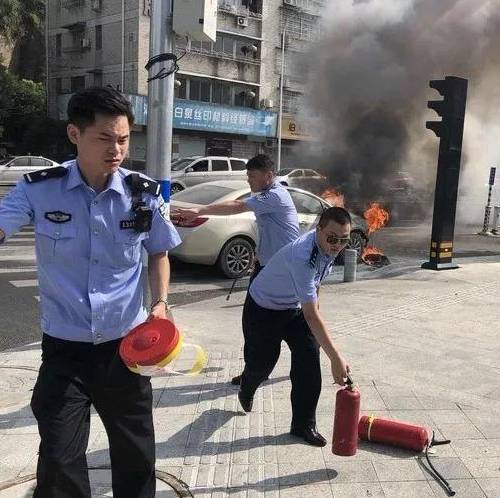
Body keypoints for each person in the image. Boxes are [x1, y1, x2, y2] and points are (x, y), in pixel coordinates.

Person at [0, 87, 181, 498]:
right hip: (65, 351)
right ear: (74, 134)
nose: (116, 149)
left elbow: (158, 253)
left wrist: (161, 303)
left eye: (122, 139)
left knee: (136, 454)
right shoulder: (38, 189)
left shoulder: (144, 193)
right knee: (60, 459)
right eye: (104, 138)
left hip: (126, 350)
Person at [171, 154, 299, 385]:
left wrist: (200, 211)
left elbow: (238, 206)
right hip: (266, 268)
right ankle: (254, 371)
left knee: (284, 328)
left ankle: (285, 368)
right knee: (252, 323)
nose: (248, 180)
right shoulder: (263, 194)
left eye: (252, 176)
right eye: (247, 175)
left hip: (284, 273)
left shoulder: (276, 195)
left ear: (269, 176)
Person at [238, 207, 353, 447]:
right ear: (319, 231)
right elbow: (312, 315)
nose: (338, 245)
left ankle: (303, 425)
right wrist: (336, 358)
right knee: (262, 364)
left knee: (309, 361)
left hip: (294, 309)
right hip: (263, 309)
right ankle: (247, 387)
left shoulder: (327, 248)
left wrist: (319, 337)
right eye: (333, 238)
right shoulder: (303, 256)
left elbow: (315, 291)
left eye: (344, 240)